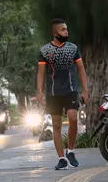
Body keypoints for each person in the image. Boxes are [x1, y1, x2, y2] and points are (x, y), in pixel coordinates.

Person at [36, 18, 88, 170]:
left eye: (66, 29)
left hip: (71, 90)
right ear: (55, 32)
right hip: (53, 93)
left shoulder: (73, 48)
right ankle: (61, 158)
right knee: (56, 125)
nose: (66, 32)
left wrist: (85, 90)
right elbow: (40, 73)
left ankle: (70, 150)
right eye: (63, 30)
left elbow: (81, 69)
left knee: (73, 118)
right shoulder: (45, 50)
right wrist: (39, 92)